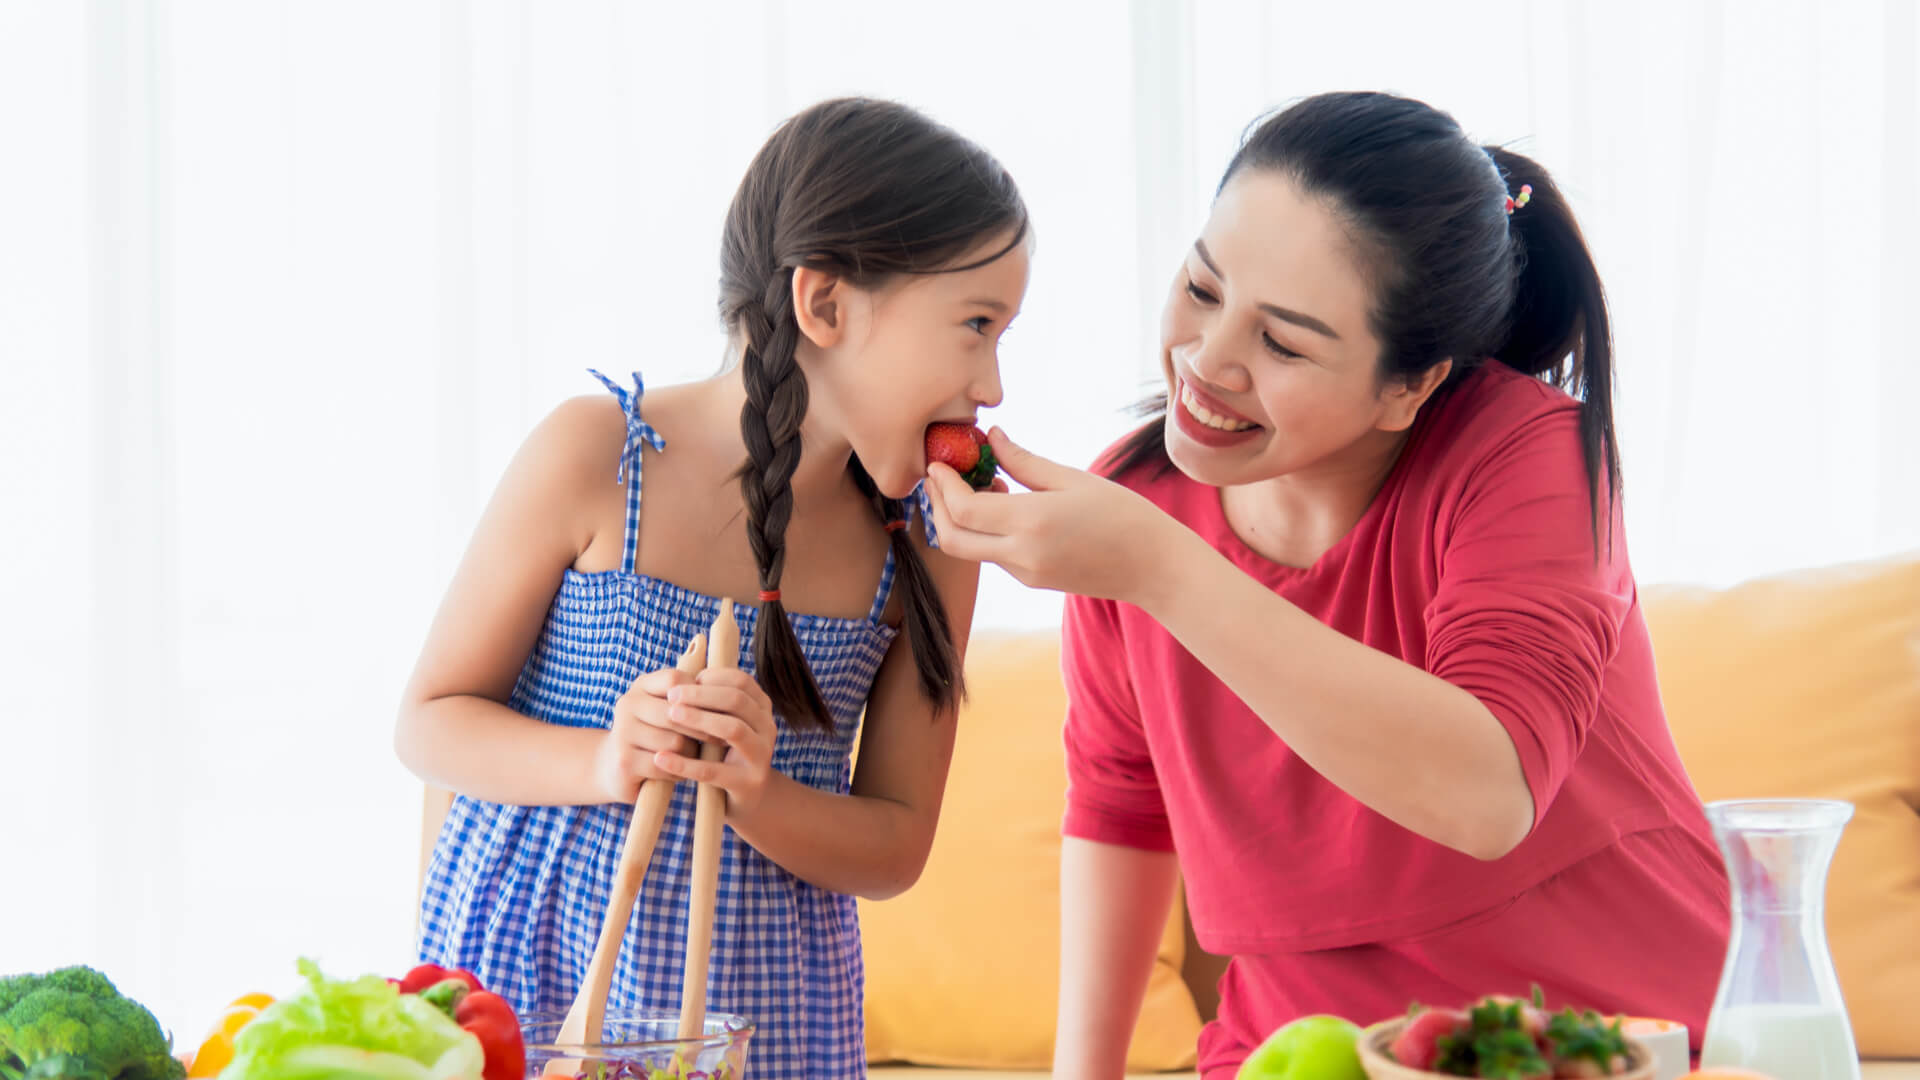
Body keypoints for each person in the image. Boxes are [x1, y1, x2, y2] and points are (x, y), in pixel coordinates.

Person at [922, 91, 1730, 1079]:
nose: (1205, 362)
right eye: (1204, 289)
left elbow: (1491, 793)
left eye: (1285, 342)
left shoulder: (1527, 452)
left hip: (1608, 1039)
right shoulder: (1135, 503)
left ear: (1410, 386)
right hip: (1297, 1051)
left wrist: (1158, 569)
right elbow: (1123, 809)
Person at [397, 97, 1029, 1079]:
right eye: (975, 325)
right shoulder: (601, 453)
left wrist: (754, 790)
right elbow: (431, 721)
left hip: (768, 1006)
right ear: (823, 306)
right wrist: (610, 761)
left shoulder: (929, 539)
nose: (991, 383)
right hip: (533, 972)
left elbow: (896, 845)